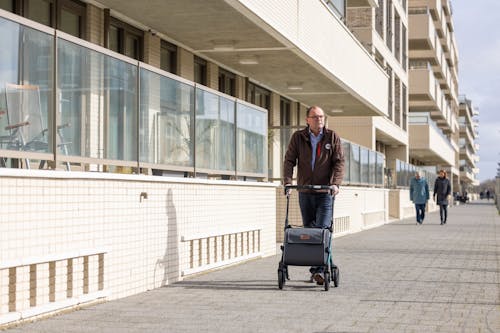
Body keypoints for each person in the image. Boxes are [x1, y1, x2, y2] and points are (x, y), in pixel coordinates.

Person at [283, 105, 345, 285]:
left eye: (322, 117)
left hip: (325, 192)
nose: (319, 120)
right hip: (305, 191)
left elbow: (339, 162)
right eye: (315, 117)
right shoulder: (298, 137)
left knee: (322, 230)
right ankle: (323, 266)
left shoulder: (332, 137)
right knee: (310, 232)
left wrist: (335, 184)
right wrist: (288, 182)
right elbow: (289, 160)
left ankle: (318, 270)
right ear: (307, 120)